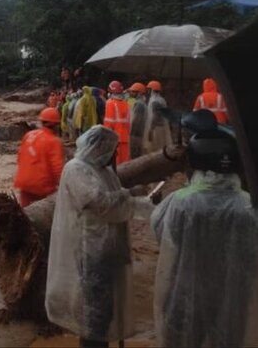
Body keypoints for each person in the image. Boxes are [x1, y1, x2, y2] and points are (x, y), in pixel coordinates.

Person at [45, 125, 156, 348]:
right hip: (90, 248)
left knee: (105, 307)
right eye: (111, 149)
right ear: (97, 147)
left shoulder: (103, 170)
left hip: (108, 248)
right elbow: (98, 202)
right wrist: (129, 195)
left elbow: (116, 203)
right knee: (94, 308)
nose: (114, 155)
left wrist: (139, 201)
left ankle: (100, 340)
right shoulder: (76, 169)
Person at [151, 130, 258, 347]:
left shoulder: (180, 202)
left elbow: (161, 235)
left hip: (184, 294)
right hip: (233, 297)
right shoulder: (249, 205)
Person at [14, 107, 65, 207]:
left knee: (25, 213)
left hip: (23, 182)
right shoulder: (54, 141)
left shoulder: (29, 135)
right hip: (42, 186)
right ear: (56, 125)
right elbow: (57, 169)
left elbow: (19, 158)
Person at [103, 80, 131, 165]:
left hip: (114, 139)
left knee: (116, 164)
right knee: (125, 163)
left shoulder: (110, 103)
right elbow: (129, 122)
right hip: (125, 138)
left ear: (111, 92)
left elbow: (109, 123)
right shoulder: (126, 104)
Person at [143, 80, 173, 153]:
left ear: (152, 90)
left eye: (149, 89)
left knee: (155, 149)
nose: (148, 91)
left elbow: (156, 117)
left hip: (156, 128)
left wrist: (151, 129)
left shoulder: (155, 101)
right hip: (161, 127)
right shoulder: (161, 100)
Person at [127, 82, 148, 159]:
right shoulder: (142, 103)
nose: (131, 93)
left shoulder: (139, 104)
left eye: (133, 91)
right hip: (139, 134)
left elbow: (136, 121)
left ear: (138, 93)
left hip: (136, 135)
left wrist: (131, 133)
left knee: (134, 156)